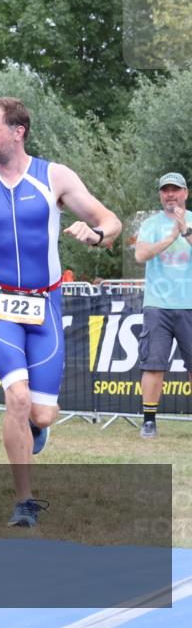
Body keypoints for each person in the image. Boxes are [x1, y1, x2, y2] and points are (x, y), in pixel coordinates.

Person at [0, 97, 121, 527]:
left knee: (41, 413)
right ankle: (24, 501)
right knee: (16, 397)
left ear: (18, 132)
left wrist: (94, 235)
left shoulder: (53, 177)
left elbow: (110, 221)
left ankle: (37, 428)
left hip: (46, 303)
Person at [133, 172, 192, 439]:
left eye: (175, 190)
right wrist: (170, 238)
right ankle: (149, 421)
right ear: (160, 195)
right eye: (165, 190)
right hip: (157, 305)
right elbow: (140, 254)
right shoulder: (150, 224)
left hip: (189, 304)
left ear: (185, 193)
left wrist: (186, 232)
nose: (170, 194)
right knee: (153, 365)